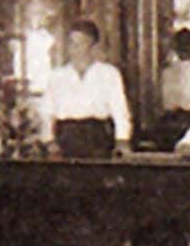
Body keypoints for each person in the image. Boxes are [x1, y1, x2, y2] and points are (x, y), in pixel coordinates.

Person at [38, 19, 130, 157]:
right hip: (66, 137)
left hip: (96, 138)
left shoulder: (109, 74)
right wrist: (49, 141)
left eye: (80, 43)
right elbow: (46, 113)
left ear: (92, 46)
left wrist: (122, 141)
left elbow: (120, 111)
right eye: (72, 43)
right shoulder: (57, 76)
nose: (74, 49)